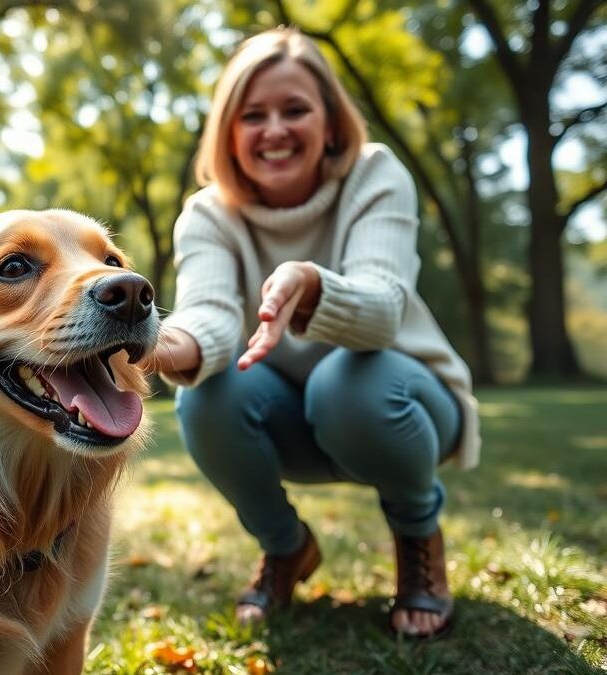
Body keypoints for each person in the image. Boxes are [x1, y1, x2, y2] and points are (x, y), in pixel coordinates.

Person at [144, 26, 480, 639]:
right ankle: (286, 547)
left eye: (295, 109)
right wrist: (161, 344)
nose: (274, 130)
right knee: (206, 396)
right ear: (229, 133)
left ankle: (417, 537)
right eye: (253, 115)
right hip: (290, 418)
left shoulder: (375, 174)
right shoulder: (208, 214)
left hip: (405, 404)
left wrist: (312, 285)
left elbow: (382, 311)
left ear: (330, 123)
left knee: (347, 381)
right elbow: (210, 312)